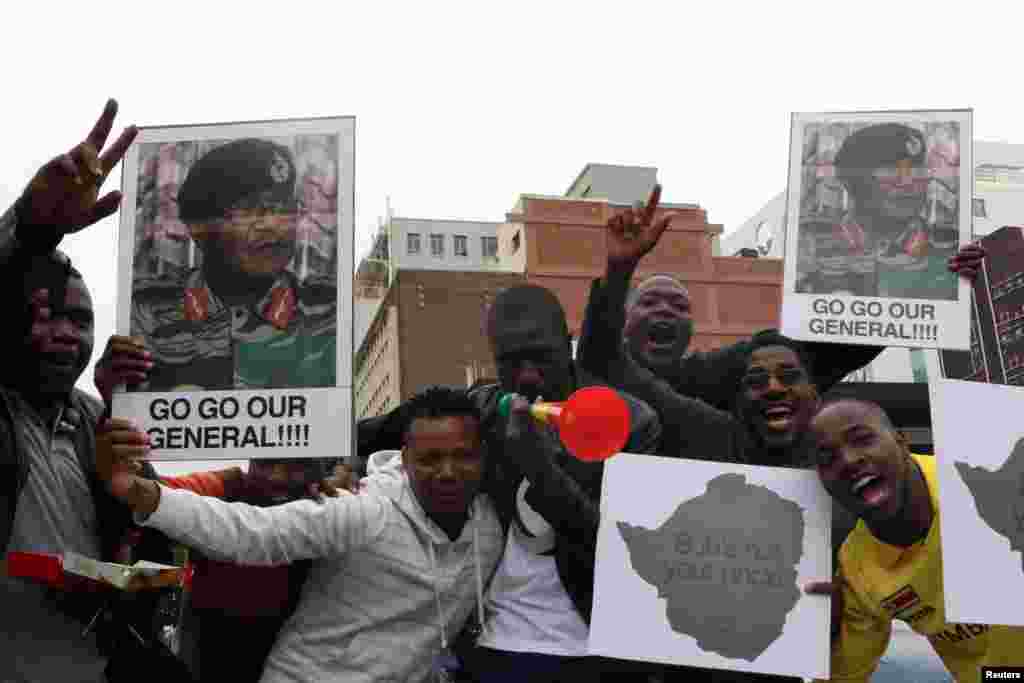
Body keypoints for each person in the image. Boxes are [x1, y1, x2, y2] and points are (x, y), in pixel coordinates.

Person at [97, 385, 505, 683]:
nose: (448, 471)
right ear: (406, 459)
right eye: (431, 458)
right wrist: (138, 491)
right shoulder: (364, 510)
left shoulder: (490, 523)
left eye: (463, 456)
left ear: (483, 457)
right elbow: (253, 533)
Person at [358, 284, 663, 681]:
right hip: (492, 649)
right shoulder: (482, 408)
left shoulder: (631, 422)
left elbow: (626, 555)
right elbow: (373, 433)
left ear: (566, 343)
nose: (528, 377)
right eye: (511, 363)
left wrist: (541, 471)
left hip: (595, 653)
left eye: (542, 358)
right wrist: (332, 467)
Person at [0, 100, 191, 683]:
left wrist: (119, 405)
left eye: (80, 322)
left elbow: (143, 531)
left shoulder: (91, 416)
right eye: (42, 314)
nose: (64, 334)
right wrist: (31, 228)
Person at [807, 398, 1024, 681]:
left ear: (901, 442)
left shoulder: (987, 482)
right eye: (826, 459)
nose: (848, 460)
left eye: (862, 439)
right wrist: (823, 638)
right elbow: (845, 675)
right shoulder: (856, 568)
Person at [131, 137, 336, 391]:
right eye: (250, 209)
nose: (273, 224)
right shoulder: (145, 313)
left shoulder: (328, 313)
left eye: (283, 207)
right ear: (200, 229)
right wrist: (114, 395)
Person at [158, 458, 336, 682]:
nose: (277, 476)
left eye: (295, 465)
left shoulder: (331, 507)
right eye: (265, 463)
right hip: (213, 637)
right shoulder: (226, 486)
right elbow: (153, 492)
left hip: (292, 642)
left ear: (316, 467)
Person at [798, 122, 961, 300]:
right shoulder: (810, 249)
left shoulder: (950, 252)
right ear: (851, 182)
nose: (908, 184)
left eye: (917, 173)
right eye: (891, 172)